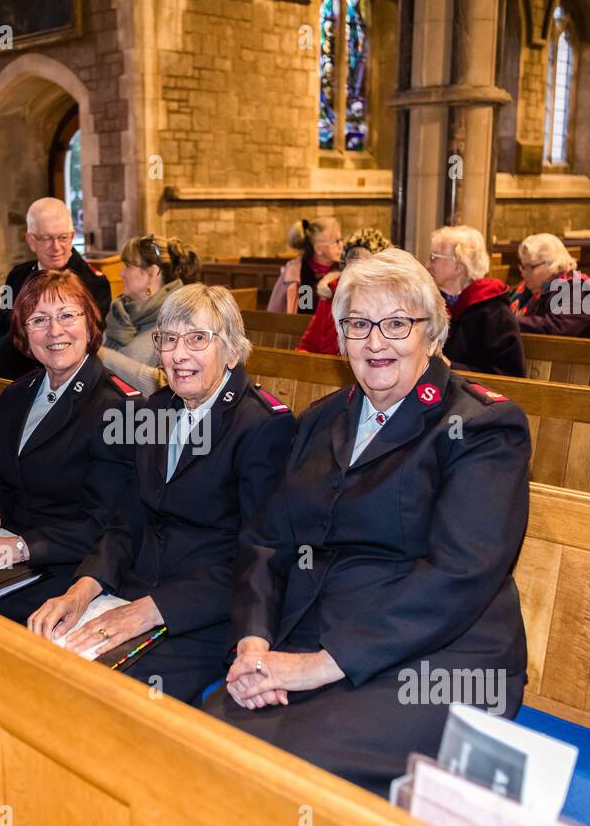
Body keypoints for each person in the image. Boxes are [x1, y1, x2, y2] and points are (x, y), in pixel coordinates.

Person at [203, 249, 531, 797]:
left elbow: (459, 574)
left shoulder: (482, 427)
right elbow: (265, 541)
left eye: (397, 324)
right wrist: (255, 641)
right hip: (314, 635)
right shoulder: (321, 420)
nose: (376, 342)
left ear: (434, 333)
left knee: (291, 776)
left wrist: (322, 666)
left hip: (437, 656)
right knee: (204, 741)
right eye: (358, 325)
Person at [27, 284, 296, 705]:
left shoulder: (261, 425)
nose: (178, 354)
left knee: (102, 700)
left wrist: (150, 610)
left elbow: (257, 557)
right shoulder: (157, 411)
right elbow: (127, 519)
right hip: (133, 591)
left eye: (196, 339)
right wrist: (81, 590)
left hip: (202, 615)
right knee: (33, 659)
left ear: (231, 350)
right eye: (168, 339)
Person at [0, 269, 139, 623]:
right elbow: (2, 480)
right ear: (24, 333)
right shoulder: (16, 395)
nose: (55, 331)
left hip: (70, 568)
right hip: (9, 553)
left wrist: (16, 548)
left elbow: (105, 524)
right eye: (39, 320)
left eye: (67, 315)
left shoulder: (121, 409)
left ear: (90, 323)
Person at [0, 197, 112, 379]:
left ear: (72, 236)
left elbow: (89, 343)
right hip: (10, 372)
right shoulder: (15, 276)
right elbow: (2, 327)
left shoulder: (94, 283)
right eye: (47, 239)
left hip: (62, 376)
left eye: (63, 238)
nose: (56, 247)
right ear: (31, 240)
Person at [96, 233, 201, 395]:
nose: (121, 273)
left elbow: (168, 385)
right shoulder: (119, 312)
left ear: (152, 272)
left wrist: (104, 356)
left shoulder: (181, 320)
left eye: (128, 265)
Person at [426, 225, 525, 376]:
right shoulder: (432, 302)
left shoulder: (493, 311)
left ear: (458, 266)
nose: (427, 265)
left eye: (434, 258)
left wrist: (451, 367)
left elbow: (509, 376)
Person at [297, 227, 390, 355]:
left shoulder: (388, 303)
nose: (355, 269)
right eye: (351, 257)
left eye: (363, 259)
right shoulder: (327, 293)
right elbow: (308, 343)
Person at [509, 233, 590, 337]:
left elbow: (559, 327)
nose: (523, 273)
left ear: (552, 264)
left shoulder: (575, 289)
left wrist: (509, 322)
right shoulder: (528, 290)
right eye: (522, 267)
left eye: (530, 267)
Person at [266, 217, 343, 315]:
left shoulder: (344, 268)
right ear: (319, 249)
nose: (341, 245)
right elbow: (305, 315)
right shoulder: (303, 276)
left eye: (341, 239)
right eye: (336, 242)